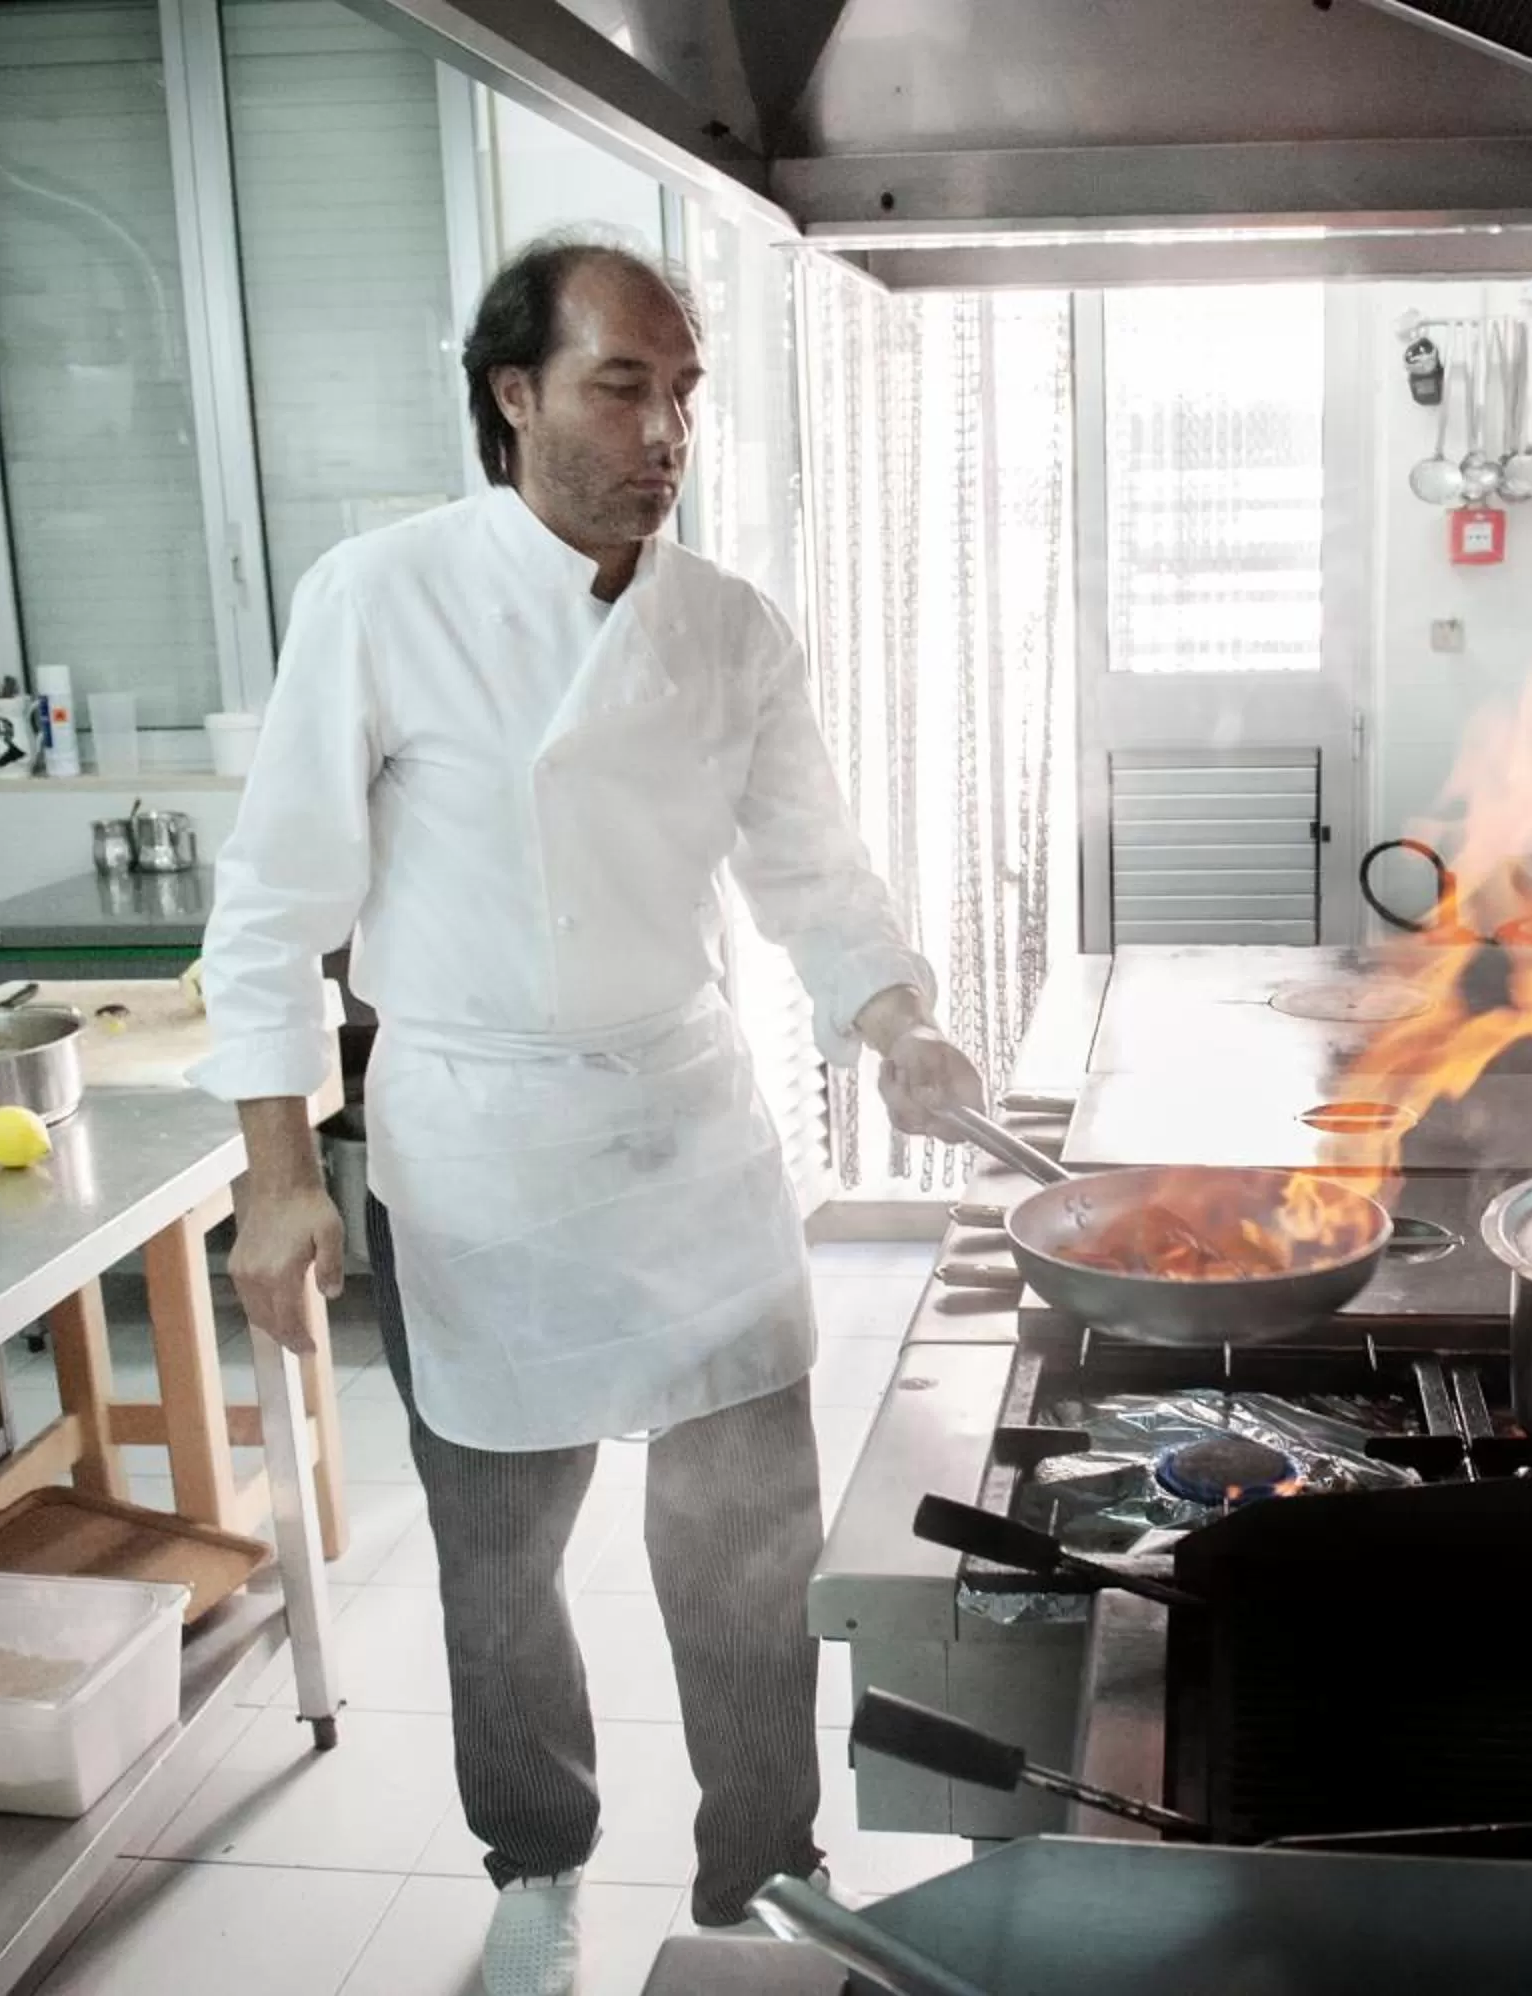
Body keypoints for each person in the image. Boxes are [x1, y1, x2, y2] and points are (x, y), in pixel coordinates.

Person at [190, 233, 984, 1995]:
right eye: (624, 383)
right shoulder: (377, 598)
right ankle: (536, 1860)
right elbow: (273, 910)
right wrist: (272, 1174)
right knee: (497, 1561)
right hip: (475, 1144)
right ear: (515, 394)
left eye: (685, 391)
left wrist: (898, 1021)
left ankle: (763, 1876)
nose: (664, 430)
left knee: (748, 1551)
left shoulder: (729, 628)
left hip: (687, 1122)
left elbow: (815, 876)